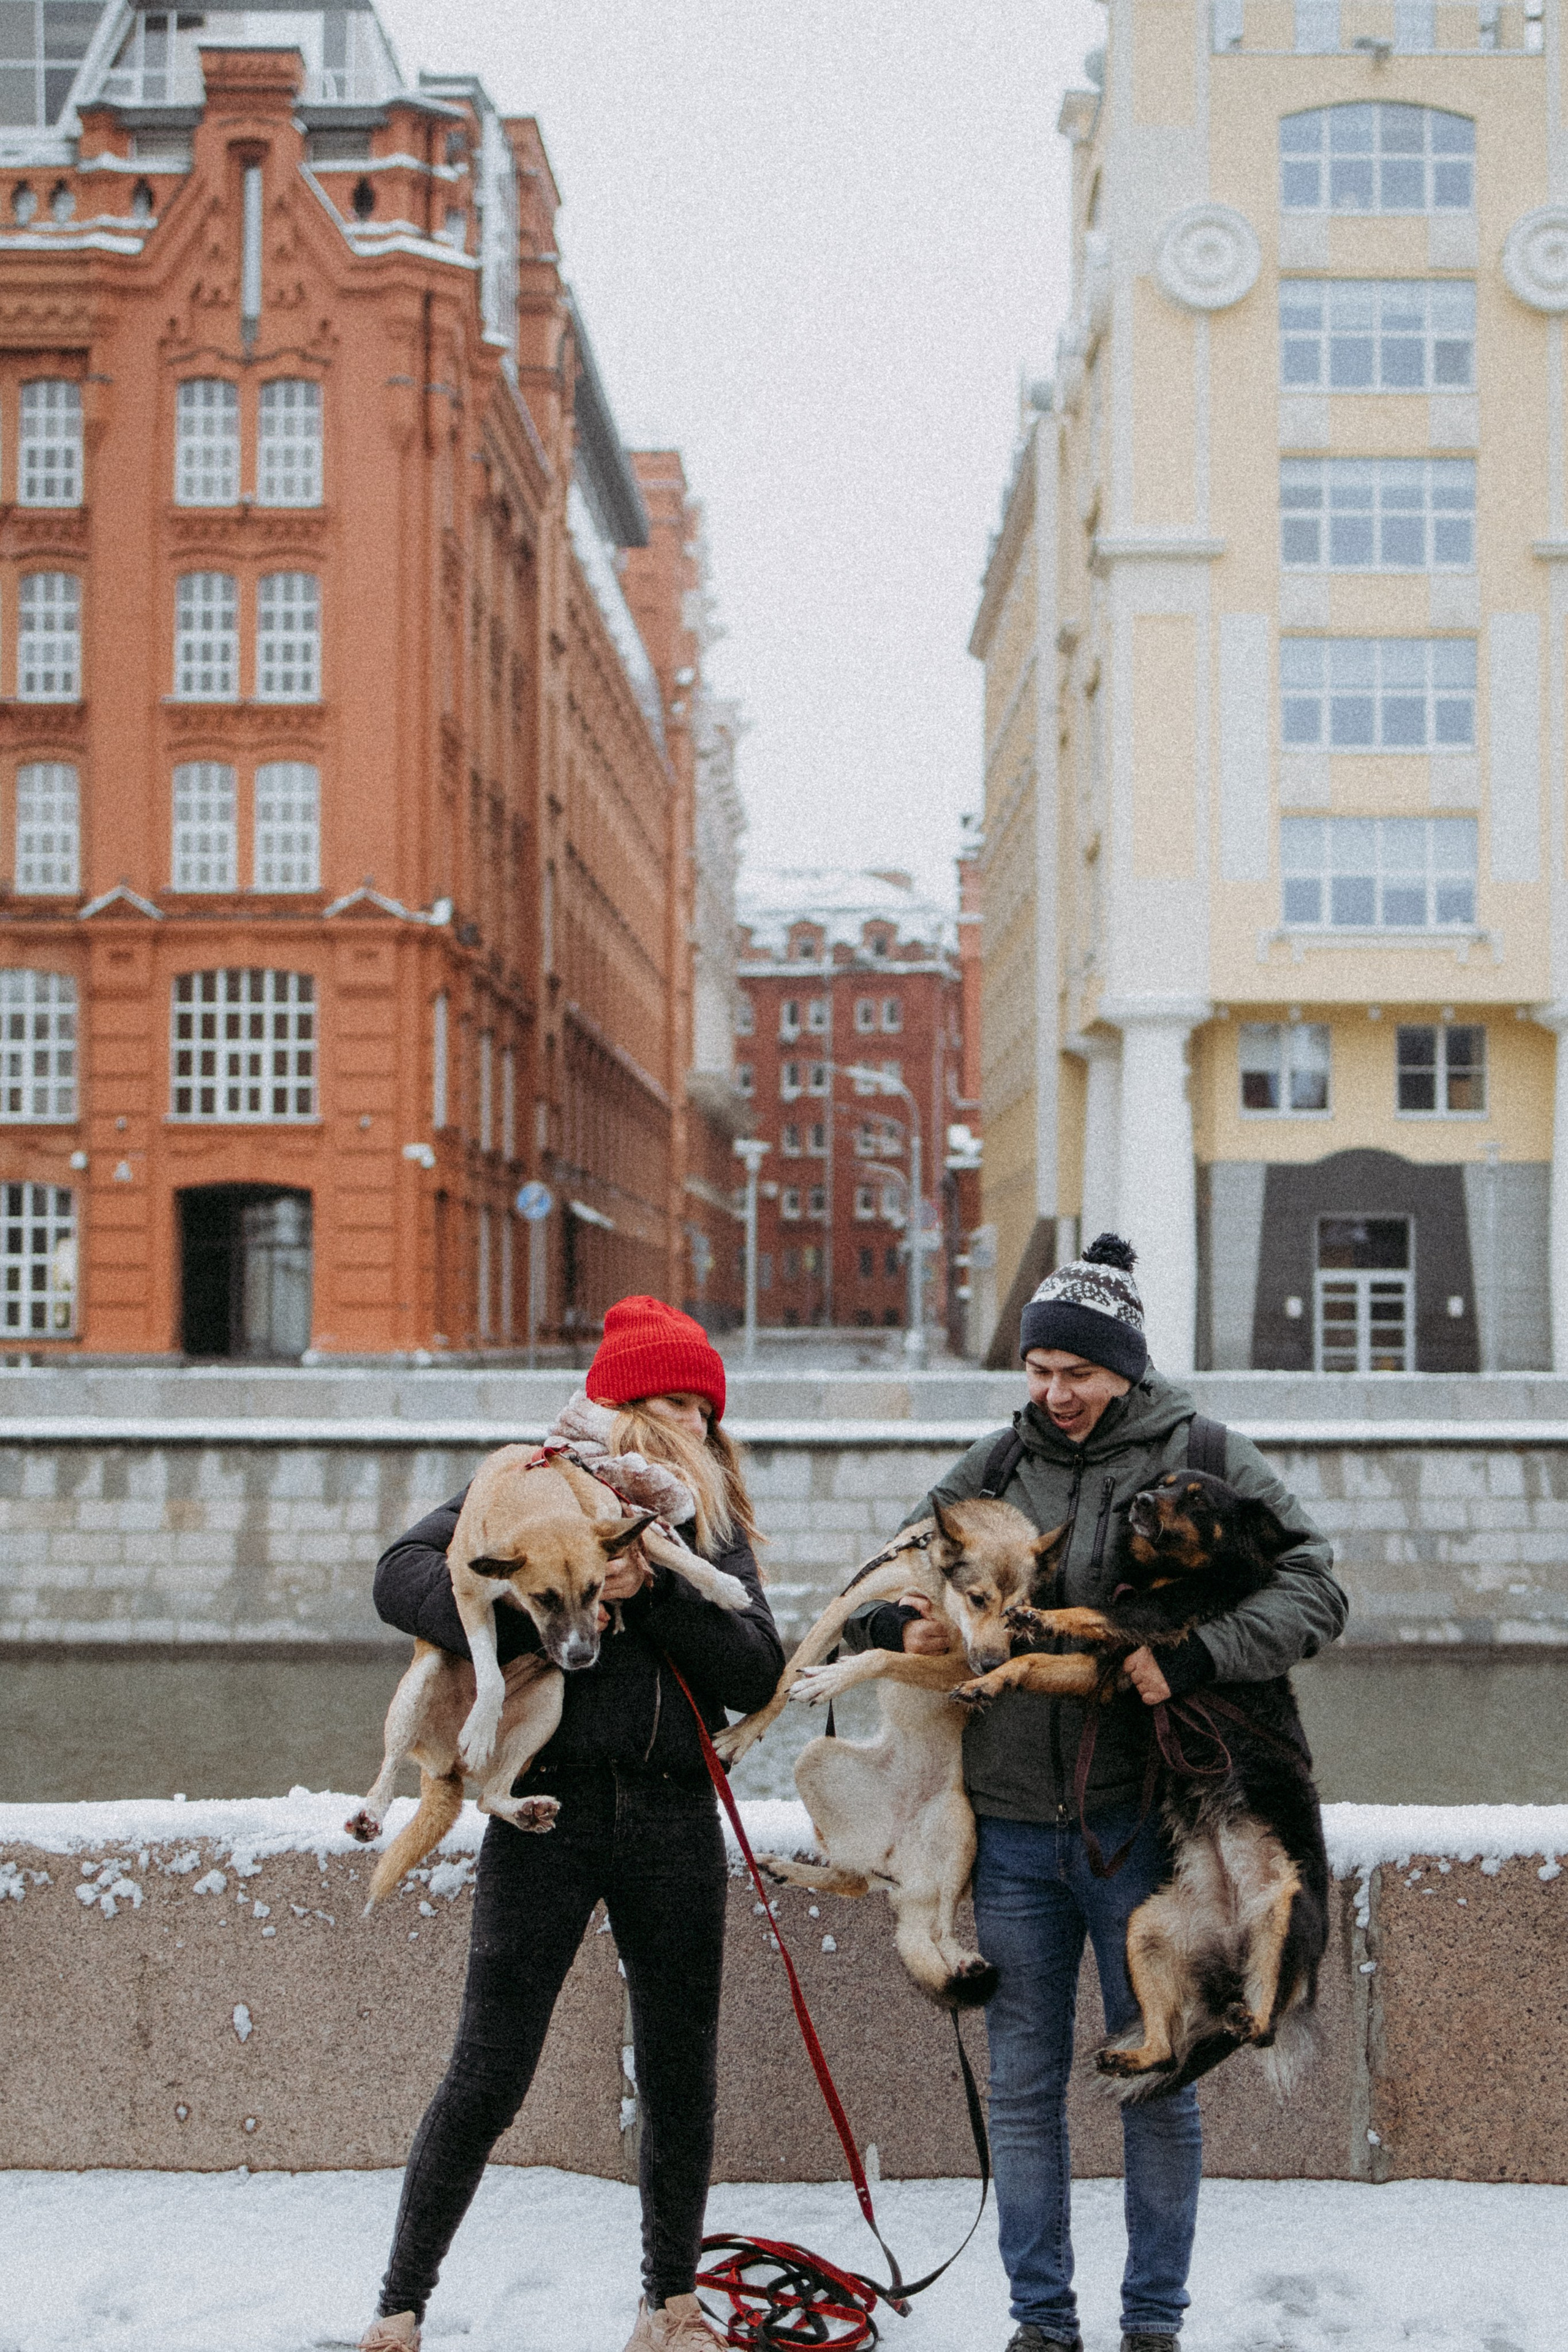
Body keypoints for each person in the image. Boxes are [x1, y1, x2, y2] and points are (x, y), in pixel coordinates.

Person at [851, 1234, 1346, 2352]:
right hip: (1016, 1835)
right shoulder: (988, 1470)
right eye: (1038, 1371)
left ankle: (1154, 2326)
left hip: (1149, 1828)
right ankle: (1041, 2325)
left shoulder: (1206, 1452)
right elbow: (886, 1574)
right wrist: (903, 1626)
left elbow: (1317, 1589)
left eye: (1078, 1373)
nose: (1054, 1393)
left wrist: (1204, 1653)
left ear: (1125, 1368)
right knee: (1024, 2093)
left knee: (1162, 2080)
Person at [358, 1295, 784, 2352]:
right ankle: (399, 2309)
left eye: (702, 1407)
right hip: (547, 1813)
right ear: (616, 1405)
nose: (686, 1422)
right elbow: (402, 1576)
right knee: (489, 2068)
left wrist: (655, 1591)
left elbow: (757, 1669)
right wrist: (549, 1589)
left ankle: (669, 2307)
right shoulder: (536, 1483)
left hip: (674, 1815)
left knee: (680, 2069)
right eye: (664, 1401)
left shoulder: (707, 1526)